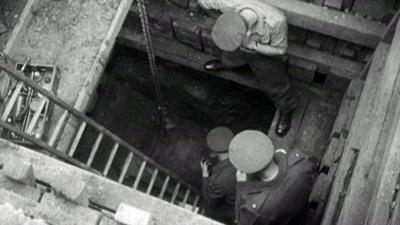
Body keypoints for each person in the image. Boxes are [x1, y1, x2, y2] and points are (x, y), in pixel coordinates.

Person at [197, 0, 297, 137]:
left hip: (262, 54)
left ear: (248, 30)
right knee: (228, 58)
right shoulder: (230, 4)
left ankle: (287, 109)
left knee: (276, 84)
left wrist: (253, 46)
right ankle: (226, 64)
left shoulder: (276, 22)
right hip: (238, 48)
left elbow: (280, 50)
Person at [228, 130, 316, 225]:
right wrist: (281, 156)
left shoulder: (258, 208)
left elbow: (242, 222)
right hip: (300, 214)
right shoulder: (301, 163)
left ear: (247, 171)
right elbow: (313, 164)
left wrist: (241, 186)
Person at [200, 127, 237, 224]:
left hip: (234, 209)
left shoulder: (219, 180)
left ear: (214, 152)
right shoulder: (240, 156)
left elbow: (209, 200)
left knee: (210, 211)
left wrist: (205, 174)